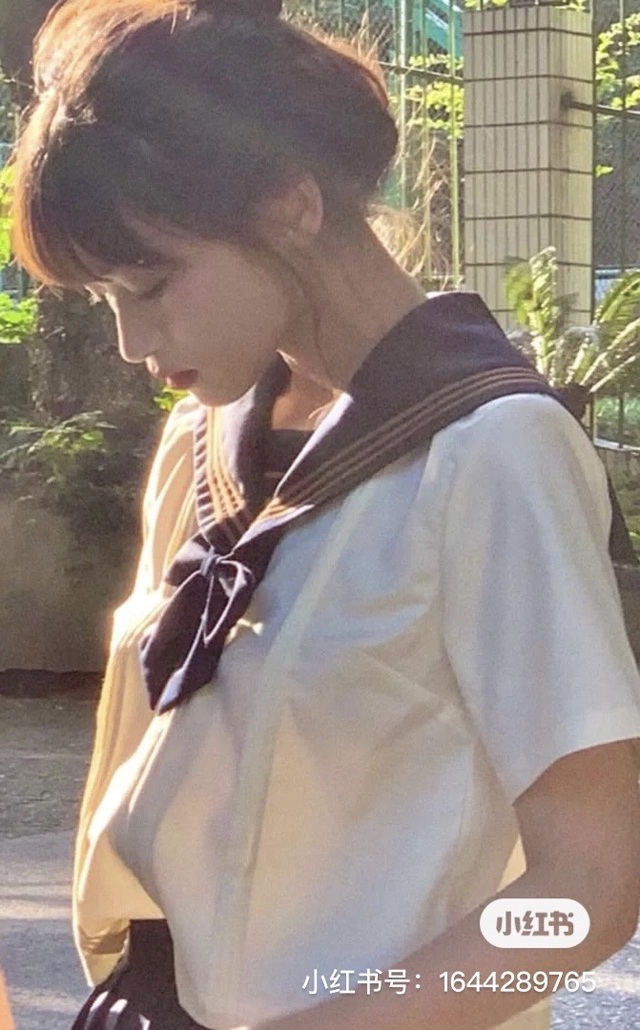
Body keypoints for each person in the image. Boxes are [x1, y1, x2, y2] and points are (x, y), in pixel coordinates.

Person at [8, 1, 640, 1028]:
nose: (130, 341)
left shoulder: (491, 454)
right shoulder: (201, 443)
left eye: (152, 284)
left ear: (290, 207)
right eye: (105, 299)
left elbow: (588, 892)